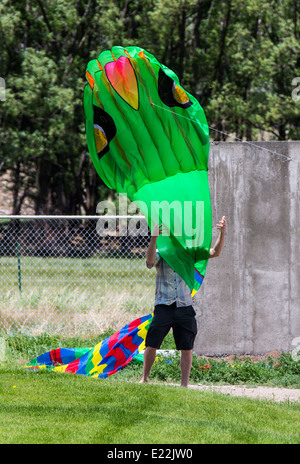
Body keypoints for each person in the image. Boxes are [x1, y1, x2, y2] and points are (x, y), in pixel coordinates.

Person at [141, 216, 226, 387]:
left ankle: (184, 385)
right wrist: (154, 238)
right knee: (151, 344)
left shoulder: (190, 252)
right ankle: (144, 379)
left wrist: (222, 233)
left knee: (186, 347)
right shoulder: (162, 252)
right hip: (164, 306)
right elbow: (150, 262)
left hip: (184, 306)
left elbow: (214, 252)